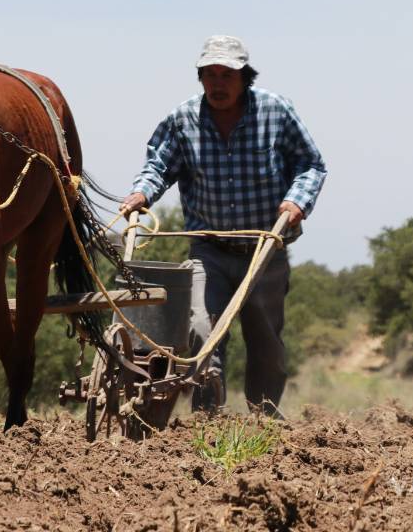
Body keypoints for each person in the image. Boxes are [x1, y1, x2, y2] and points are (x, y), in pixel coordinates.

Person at [120, 35, 326, 414]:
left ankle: (262, 421)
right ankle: (207, 419)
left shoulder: (275, 111)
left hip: (265, 248)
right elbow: (159, 167)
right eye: (209, 75)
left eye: (226, 75)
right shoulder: (183, 119)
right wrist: (141, 195)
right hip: (208, 249)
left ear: (244, 76)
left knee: (266, 345)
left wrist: (298, 201)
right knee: (200, 329)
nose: (217, 84)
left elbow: (310, 165)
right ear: (199, 77)